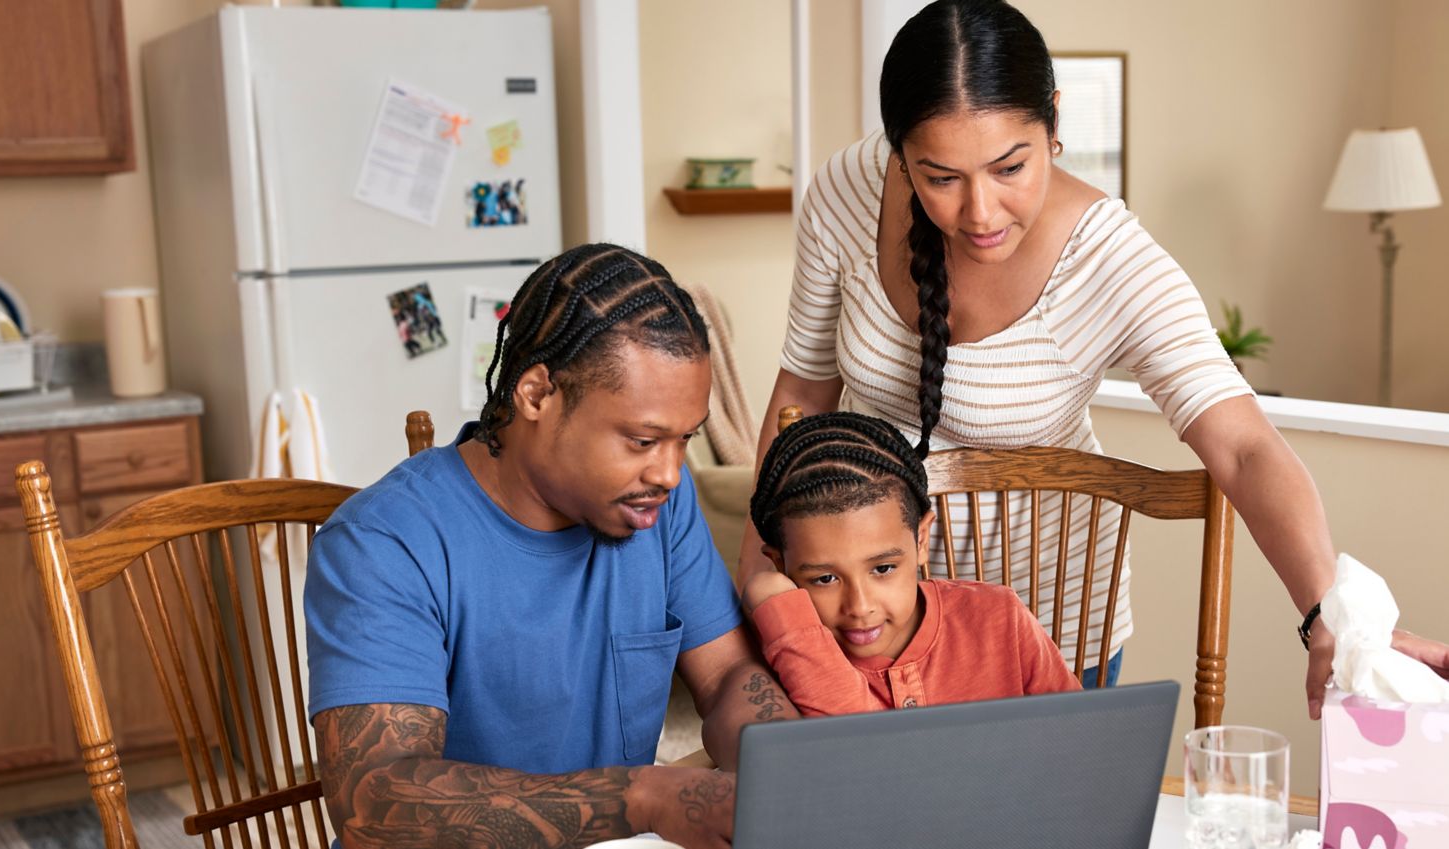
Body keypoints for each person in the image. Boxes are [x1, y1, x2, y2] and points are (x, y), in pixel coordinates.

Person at [738, 0, 1449, 717]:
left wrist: (1331, 612)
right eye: (941, 178)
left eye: (1008, 166)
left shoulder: (1108, 261)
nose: (980, 212)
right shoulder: (844, 192)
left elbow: (1241, 446)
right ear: (898, 154)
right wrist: (750, 601)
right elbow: (800, 389)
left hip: (1043, 628)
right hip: (857, 620)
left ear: (1053, 123)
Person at [306, 244, 796, 849]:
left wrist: (784, 772)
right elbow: (373, 803)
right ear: (536, 395)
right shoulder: (383, 543)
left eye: (684, 439)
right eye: (643, 440)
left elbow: (727, 676)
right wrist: (641, 798)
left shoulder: (656, 505)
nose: (670, 473)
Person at [741, 411, 1078, 716]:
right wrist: (770, 595)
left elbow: (1080, 737)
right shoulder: (791, 647)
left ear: (920, 541)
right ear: (781, 566)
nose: (860, 607)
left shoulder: (1000, 617)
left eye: (883, 569)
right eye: (826, 578)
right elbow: (856, 750)